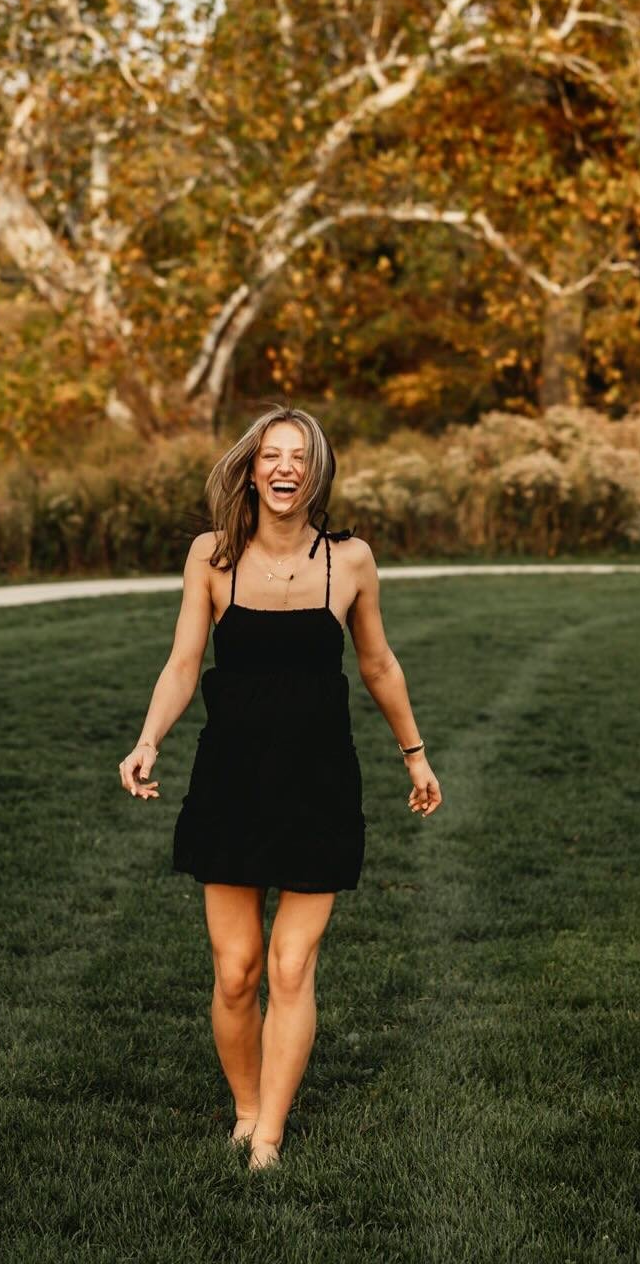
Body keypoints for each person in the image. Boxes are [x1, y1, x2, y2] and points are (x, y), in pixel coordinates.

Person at [117, 405, 442, 1172]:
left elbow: (379, 665)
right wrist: (146, 740)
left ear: (316, 471)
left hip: (319, 786)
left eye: (299, 455)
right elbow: (181, 665)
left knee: (292, 967)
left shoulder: (350, 561)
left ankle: (269, 1138)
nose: (284, 467)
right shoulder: (212, 557)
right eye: (271, 455)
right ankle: (245, 1108)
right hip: (230, 783)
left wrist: (415, 756)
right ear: (252, 468)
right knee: (236, 973)